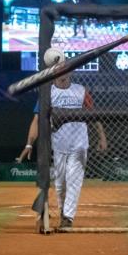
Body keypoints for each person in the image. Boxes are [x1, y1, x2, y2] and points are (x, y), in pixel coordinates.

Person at [17, 58, 108, 229]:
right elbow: (36, 120)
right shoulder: (47, 93)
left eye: (66, 71)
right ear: (53, 75)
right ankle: (63, 211)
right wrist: (29, 144)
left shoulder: (81, 91)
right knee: (60, 183)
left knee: (74, 179)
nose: (63, 74)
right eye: (59, 72)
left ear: (71, 72)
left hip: (80, 143)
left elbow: (94, 115)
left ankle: (68, 217)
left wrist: (102, 137)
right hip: (58, 145)